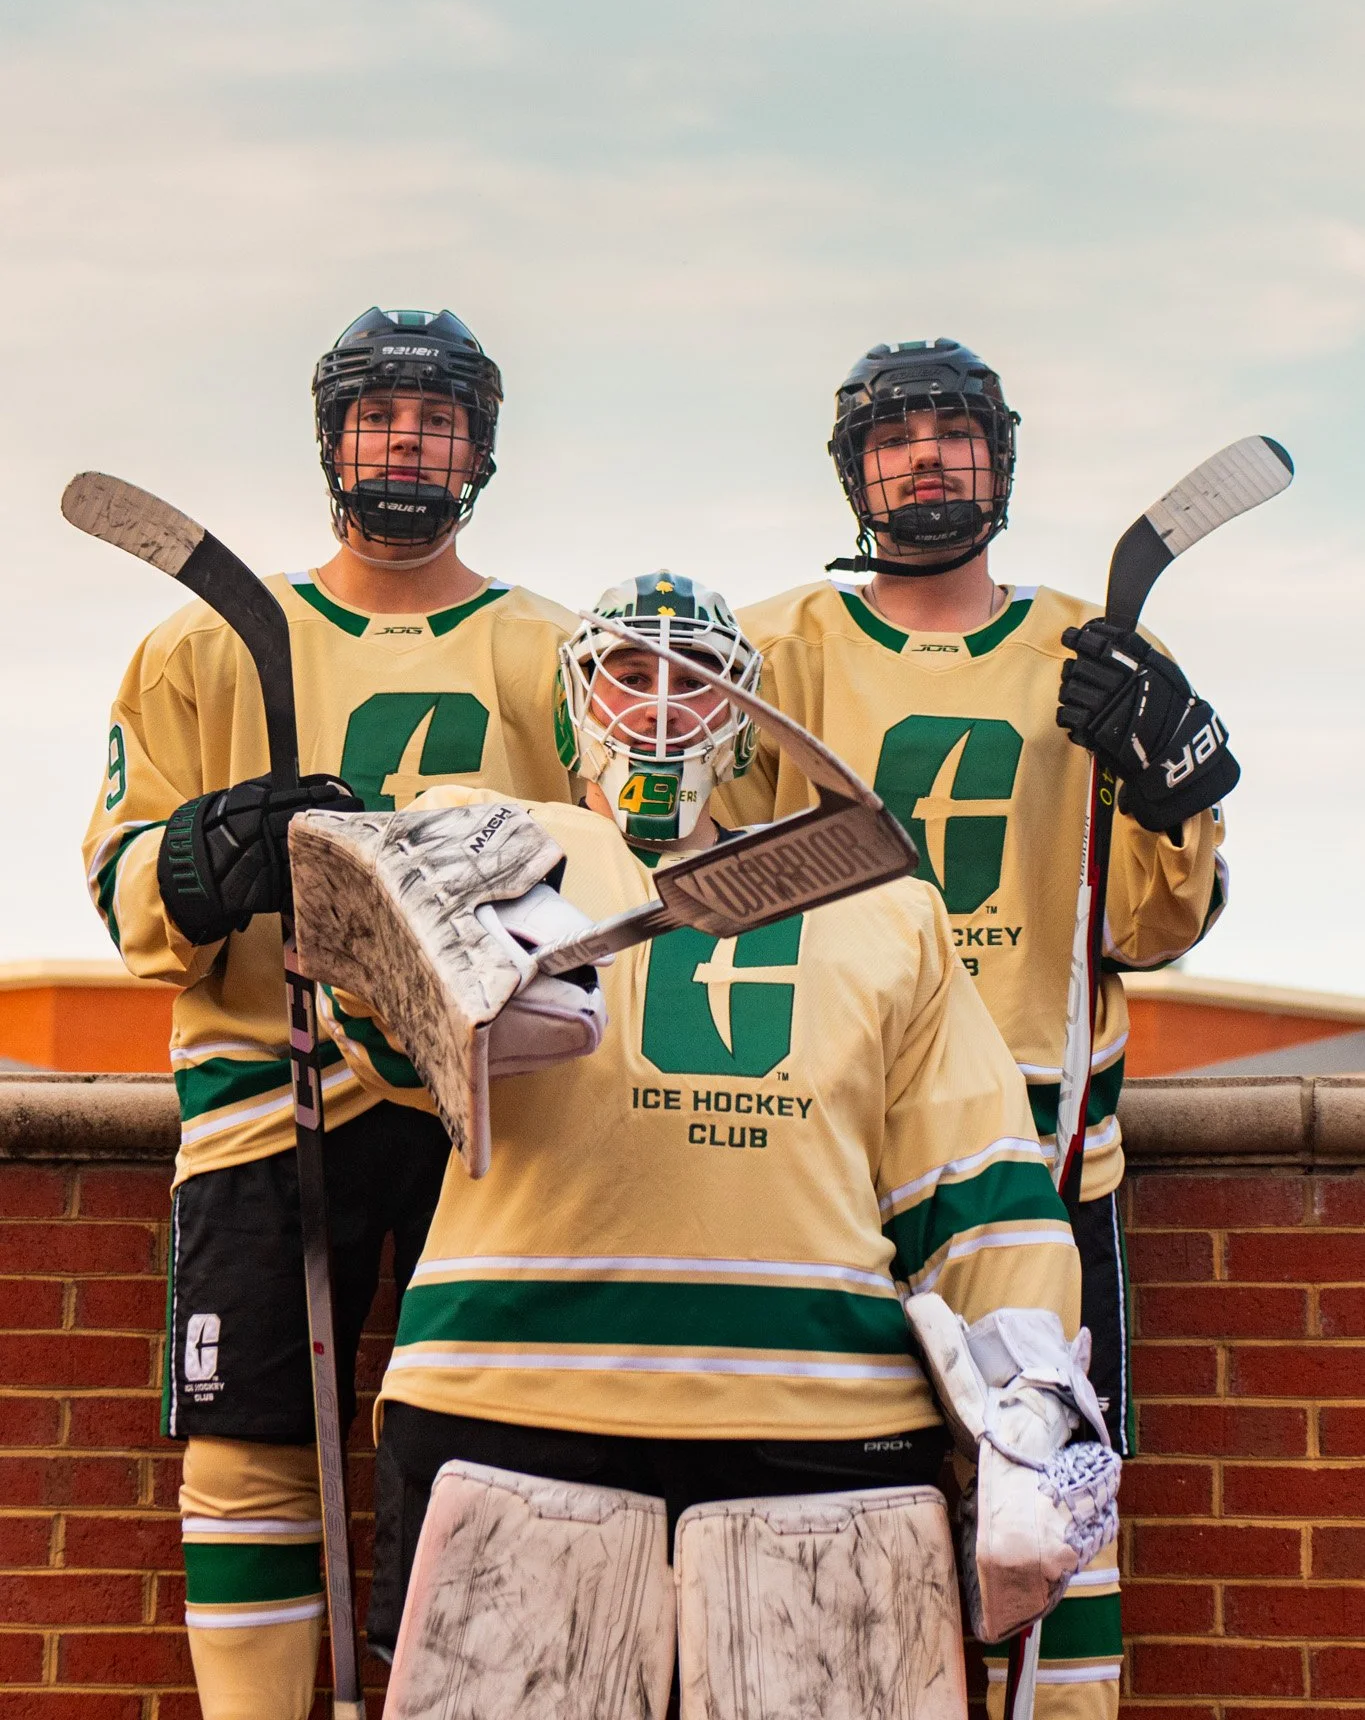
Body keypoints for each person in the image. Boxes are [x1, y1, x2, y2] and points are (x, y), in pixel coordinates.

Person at [322, 573, 1109, 1713]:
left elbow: (973, 1180)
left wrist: (1027, 1415)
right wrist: (438, 984)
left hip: (821, 1422)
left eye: (694, 678)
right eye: (629, 672)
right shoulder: (491, 841)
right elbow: (382, 1040)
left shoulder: (882, 902)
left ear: (747, 717)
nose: (660, 704)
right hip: (516, 1403)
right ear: (571, 701)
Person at [717, 338, 1237, 1718]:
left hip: (1041, 1136)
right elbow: (704, 898)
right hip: (836, 1143)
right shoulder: (778, 646)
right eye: (894, 438)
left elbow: (1145, 927)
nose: (926, 458)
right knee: (847, 1481)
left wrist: (1171, 783)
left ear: (999, 453)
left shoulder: (1102, 651)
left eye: (952, 431)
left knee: (1054, 1497)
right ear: (853, 471)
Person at [81, 306, 577, 1720]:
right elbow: (121, 881)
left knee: (479, 1440)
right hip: (262, 1097)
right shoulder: (203, 649)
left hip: (483, 1108)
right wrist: (200, 860)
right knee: (247, 1451)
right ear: (332, 440)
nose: (407, 438)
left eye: (437, 416)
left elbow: (611, 879)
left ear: (479, 447)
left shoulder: (550, 650)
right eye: (380, 415)